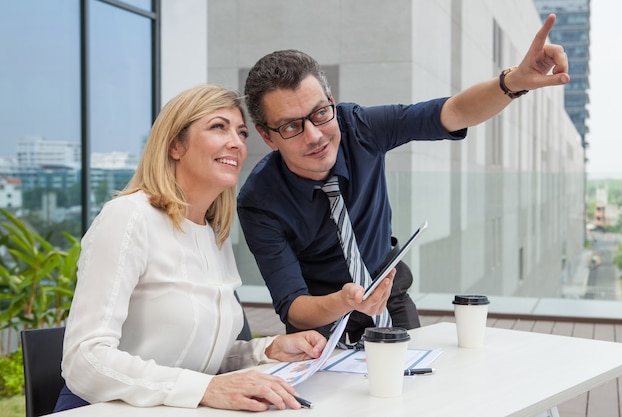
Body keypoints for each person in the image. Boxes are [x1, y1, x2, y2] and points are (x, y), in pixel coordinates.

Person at [237, 14, 569, 342]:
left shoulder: (359, 127)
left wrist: (514, 82)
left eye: (321, 113)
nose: (314, 136)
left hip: (390, 295)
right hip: (319, 323)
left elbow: (451, 113)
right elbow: (293, 305)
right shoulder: (259, 201)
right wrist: (346, 301)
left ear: (332, 103)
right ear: (268, 137)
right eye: (292, 126)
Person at [55, 85, 327, 413]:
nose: (237, 143)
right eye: (218, 127)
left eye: (241, 133)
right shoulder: (129, 217)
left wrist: (267, 350)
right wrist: (206, 388)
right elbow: (85, 358)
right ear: (174, 145)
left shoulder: (214, 235)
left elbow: (197, 356)